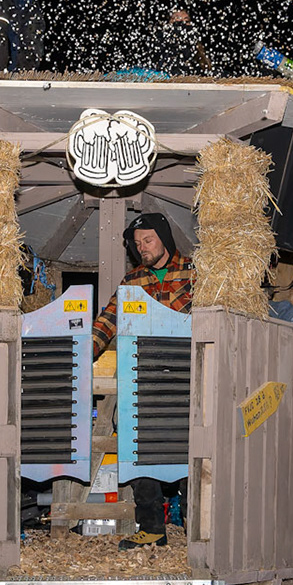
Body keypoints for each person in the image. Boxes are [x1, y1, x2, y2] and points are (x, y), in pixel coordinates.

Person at [92, 213, 195, 550]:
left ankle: (197, 527)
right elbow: (107, 321)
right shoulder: (132, 280)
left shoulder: (196, 273)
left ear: (165, 238)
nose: (142, 248)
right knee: (134, 442)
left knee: (191, 448)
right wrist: (80, 353)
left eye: (148, 240)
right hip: (144, 378)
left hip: (186, 378)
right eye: (137, 244)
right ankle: (151, 528)